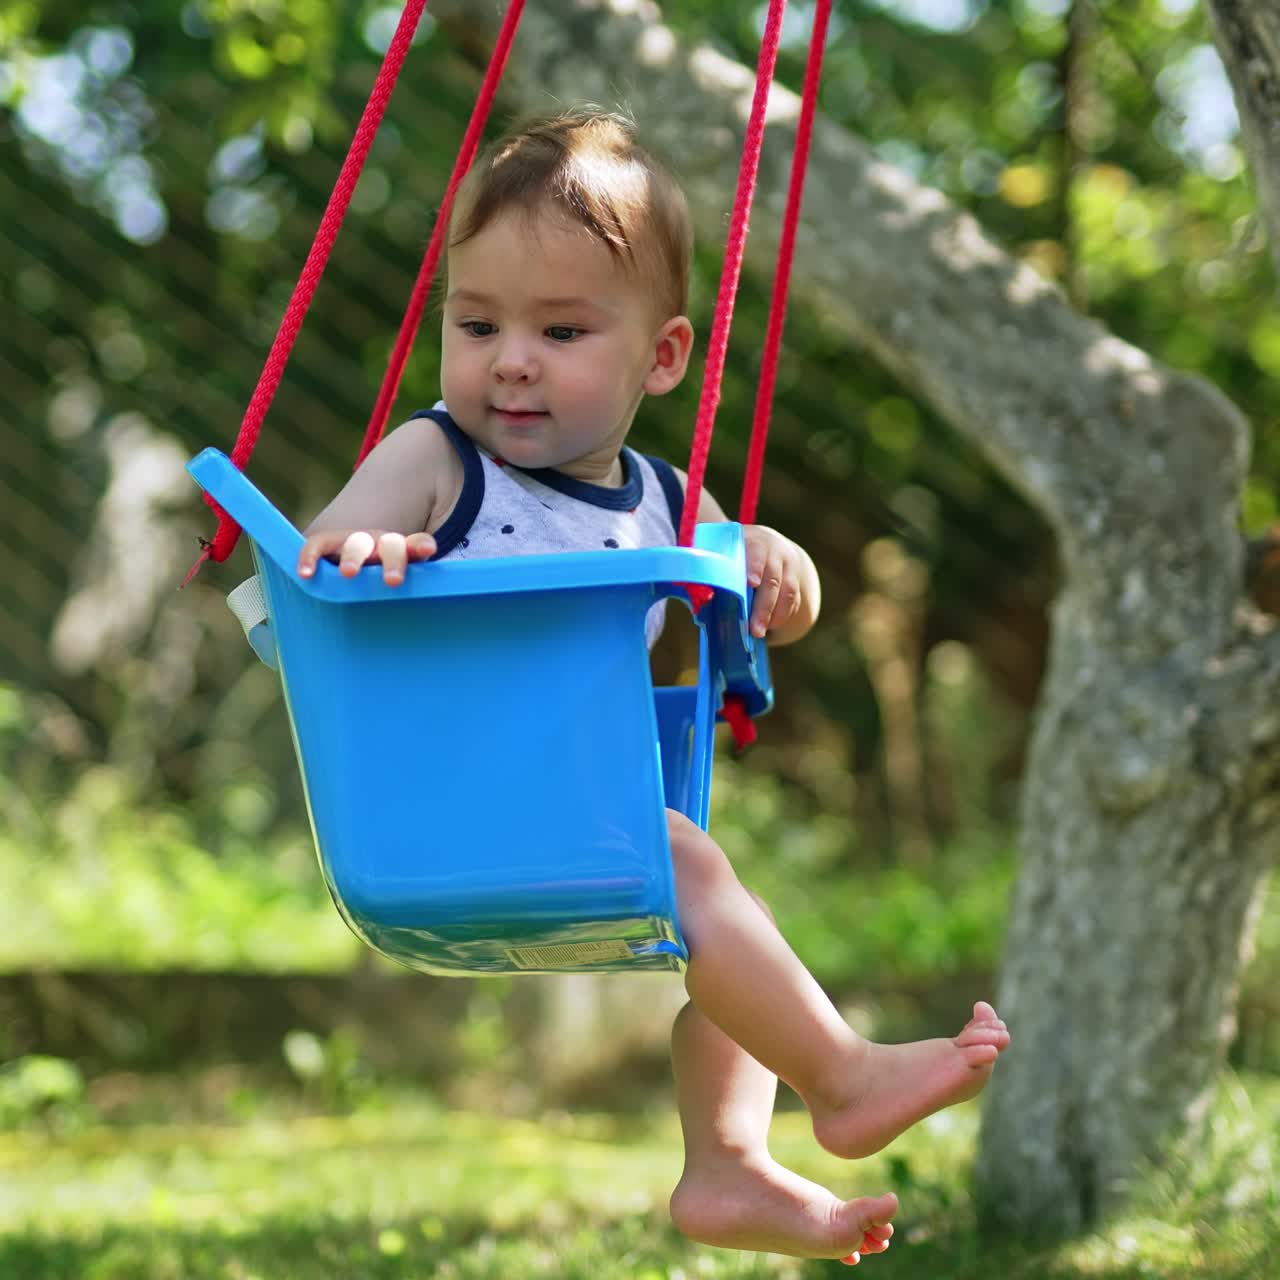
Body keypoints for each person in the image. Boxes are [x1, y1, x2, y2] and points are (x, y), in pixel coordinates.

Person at [293, 110, 1010, 1266]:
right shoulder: (435, 460)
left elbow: (770, 595)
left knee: (717, 926)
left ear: (662, 356)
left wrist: (776, 555)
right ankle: (838, 1078)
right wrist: (363, 551)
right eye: (476, 323)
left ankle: (726, 1165)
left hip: (575, 821)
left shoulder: (664, 500)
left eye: (561, 328)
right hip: (440, 811)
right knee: (692, 869)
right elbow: (319, 560)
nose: (510, 357)